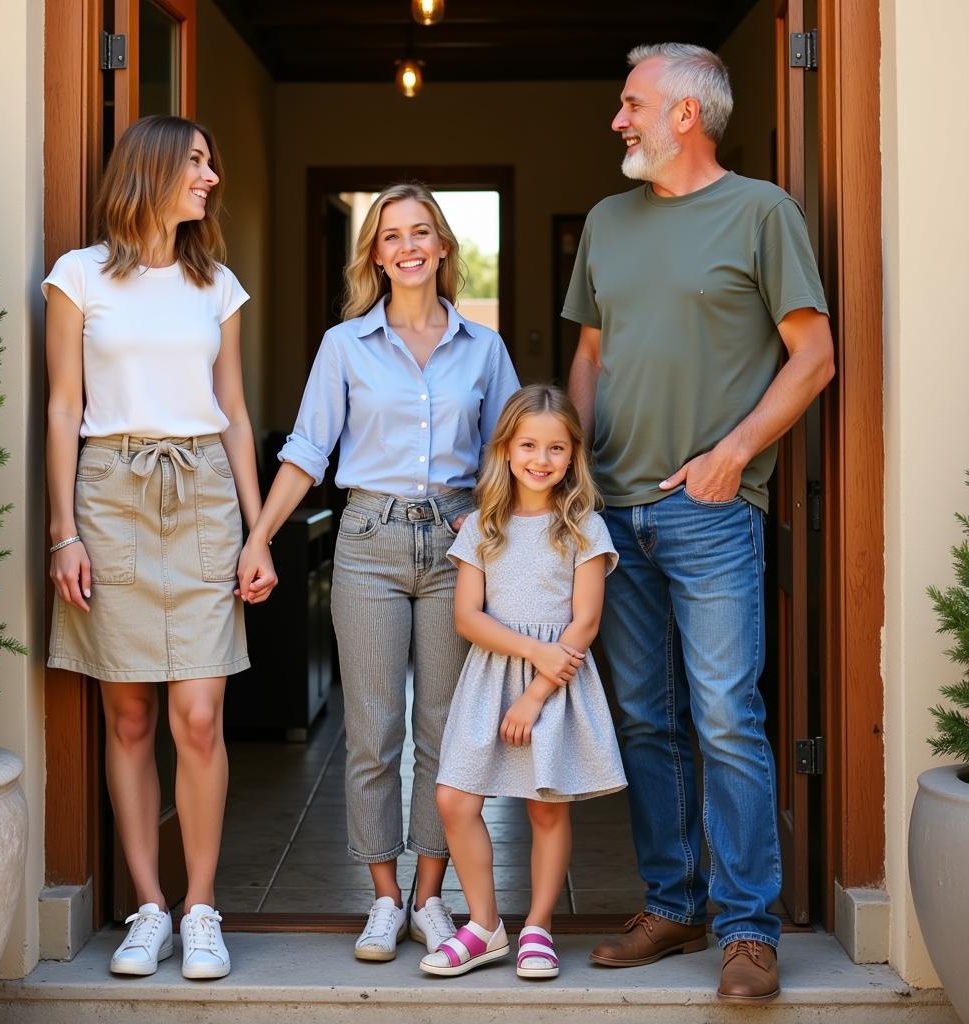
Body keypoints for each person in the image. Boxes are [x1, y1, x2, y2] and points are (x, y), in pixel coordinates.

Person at [562, 43, 835, 1003]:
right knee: (646, 717)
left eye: (631, 103)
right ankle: (674, 904)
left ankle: (750, 927)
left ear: (686, 114)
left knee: (726, 717)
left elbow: (813, 357)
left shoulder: (763, 213)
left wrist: (732, 456)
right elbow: (592, 353)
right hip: (616, 513)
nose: (618, 120)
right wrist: (580, 473)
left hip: (711, 514)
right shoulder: (607, 220)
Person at [236, 182, 519, 962]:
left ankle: (431, 898)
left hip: (456, 547)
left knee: (443, 731)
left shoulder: (483, 348)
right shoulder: (345, 345)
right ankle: (384, 899)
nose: (407, 246)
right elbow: (306, 451)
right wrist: (260, 536)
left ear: (443, 246)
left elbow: (511, 453)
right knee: (372, 733)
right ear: (376, 255)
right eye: (391, 235)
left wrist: (489, 524)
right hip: (367, 540)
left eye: (420, 231)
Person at [44, 115, 271, 980]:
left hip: (205, 494)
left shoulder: (218, 287)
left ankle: (200, 906)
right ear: (153, 170)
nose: (211, 177)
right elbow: (64, 408)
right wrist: (63, 530)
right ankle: (149, 908)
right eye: (198, 163)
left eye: (212, 163)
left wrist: (258, 532)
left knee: (200, 715)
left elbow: (238, 415)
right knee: (129, 714)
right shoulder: (78, 277)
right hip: (110, 494)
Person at [419, 385, 626, 979]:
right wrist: (532, 651)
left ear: (573, 456)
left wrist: (538, 690)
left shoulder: (582, 525)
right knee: (454, 798)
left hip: (557, 682)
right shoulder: (483, 524)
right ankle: (484, 925)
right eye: (529, 444)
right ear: (506, 450)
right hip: (492, 675)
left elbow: (585, 621)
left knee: (546, 804)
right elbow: (467, 617)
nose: (542, 458)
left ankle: (538, 926)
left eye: (556, 448)